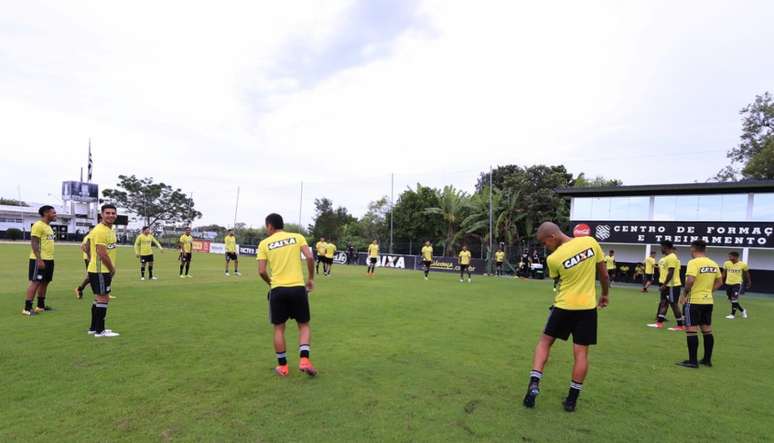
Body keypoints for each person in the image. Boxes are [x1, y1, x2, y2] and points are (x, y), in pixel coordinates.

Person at [523, 222, 609, 412]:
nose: (546, 247)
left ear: (552, 237)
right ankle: (571, 400)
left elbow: (559, 280)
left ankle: (534, 383)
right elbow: (603, 274)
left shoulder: (553, 259)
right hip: (587, 308)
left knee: (544, 343)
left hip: (563, 307)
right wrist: (605, 294)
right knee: (581, 353)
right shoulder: (590, 242)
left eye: (545, 243)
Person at [257, 213, 317, 377]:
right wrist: (310, 278)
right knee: (303, 325)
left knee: (279, 328)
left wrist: (271, 283)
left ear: (270, 226)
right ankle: (304, 360)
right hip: (298, 288)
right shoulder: (297, 237)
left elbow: (261, 271)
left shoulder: (264, 243)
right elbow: (310, 256)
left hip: (277, 290)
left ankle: (283, 367)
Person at [676, 240, 722, 368]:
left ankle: (693, 361)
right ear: (705, 250)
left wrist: (684, 294)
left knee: (691, 330)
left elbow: (690, 280)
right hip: (708, 301)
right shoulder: (713, 263)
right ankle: (707, 360)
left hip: (694, 301)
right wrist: (708, 291)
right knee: (707, 330)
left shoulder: (693, 262)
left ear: (693, 249)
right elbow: (720, 281)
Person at [87, 204, 120, 337]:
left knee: (98, 298)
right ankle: (100, 331)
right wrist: (112, 269)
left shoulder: (110, 230)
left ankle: (94, 328)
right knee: (103, 298)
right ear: (101, 214)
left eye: (113, 213)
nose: (111, 215)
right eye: (108, 213)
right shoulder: (100, 230)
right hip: (100, 270)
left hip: (101, 270)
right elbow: (102, 253)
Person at [23, 205, 57, 315]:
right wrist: (39, 259)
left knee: (45, 282)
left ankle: (40, 306)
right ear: (46, 213)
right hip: (39, 260)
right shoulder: (38, 225)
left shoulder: (48, 226)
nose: (55, 214)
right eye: (53, 213)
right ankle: (27, 309)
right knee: (36, 282)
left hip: (49, 259)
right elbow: (34, 242)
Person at [647, 241, 685, 331]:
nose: (661, 249)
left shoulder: (672, 257)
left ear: (666, 247)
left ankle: (680, 325)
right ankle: (659, 323)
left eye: (662, 247)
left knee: (673, 304)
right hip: (667, 285)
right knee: (664, 302)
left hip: (672, 285)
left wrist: (664, 284)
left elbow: (671, 272)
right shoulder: (666, 258)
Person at [722, 251, 751, 319]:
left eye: (730, 256)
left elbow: (746, 274)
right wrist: (720, 280)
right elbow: (724, 273)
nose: (729, 258)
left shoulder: (743, 264)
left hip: (737, 283)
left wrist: (749, 282)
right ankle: (743, 310)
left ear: (736, 257)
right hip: (728, 283)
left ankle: (732, 314)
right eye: (729, 256)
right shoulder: (726, 263)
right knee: (731, 300)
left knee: (734, 298)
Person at [75, 230, 92, 299]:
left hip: (92, 258)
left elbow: (82, 246)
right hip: (89, 259)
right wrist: (89, 256)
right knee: (91, 276)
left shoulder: (90, 236)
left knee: (93, 276)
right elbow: (83, 246)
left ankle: (102, 293)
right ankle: (79, 289)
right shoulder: (88, 236)